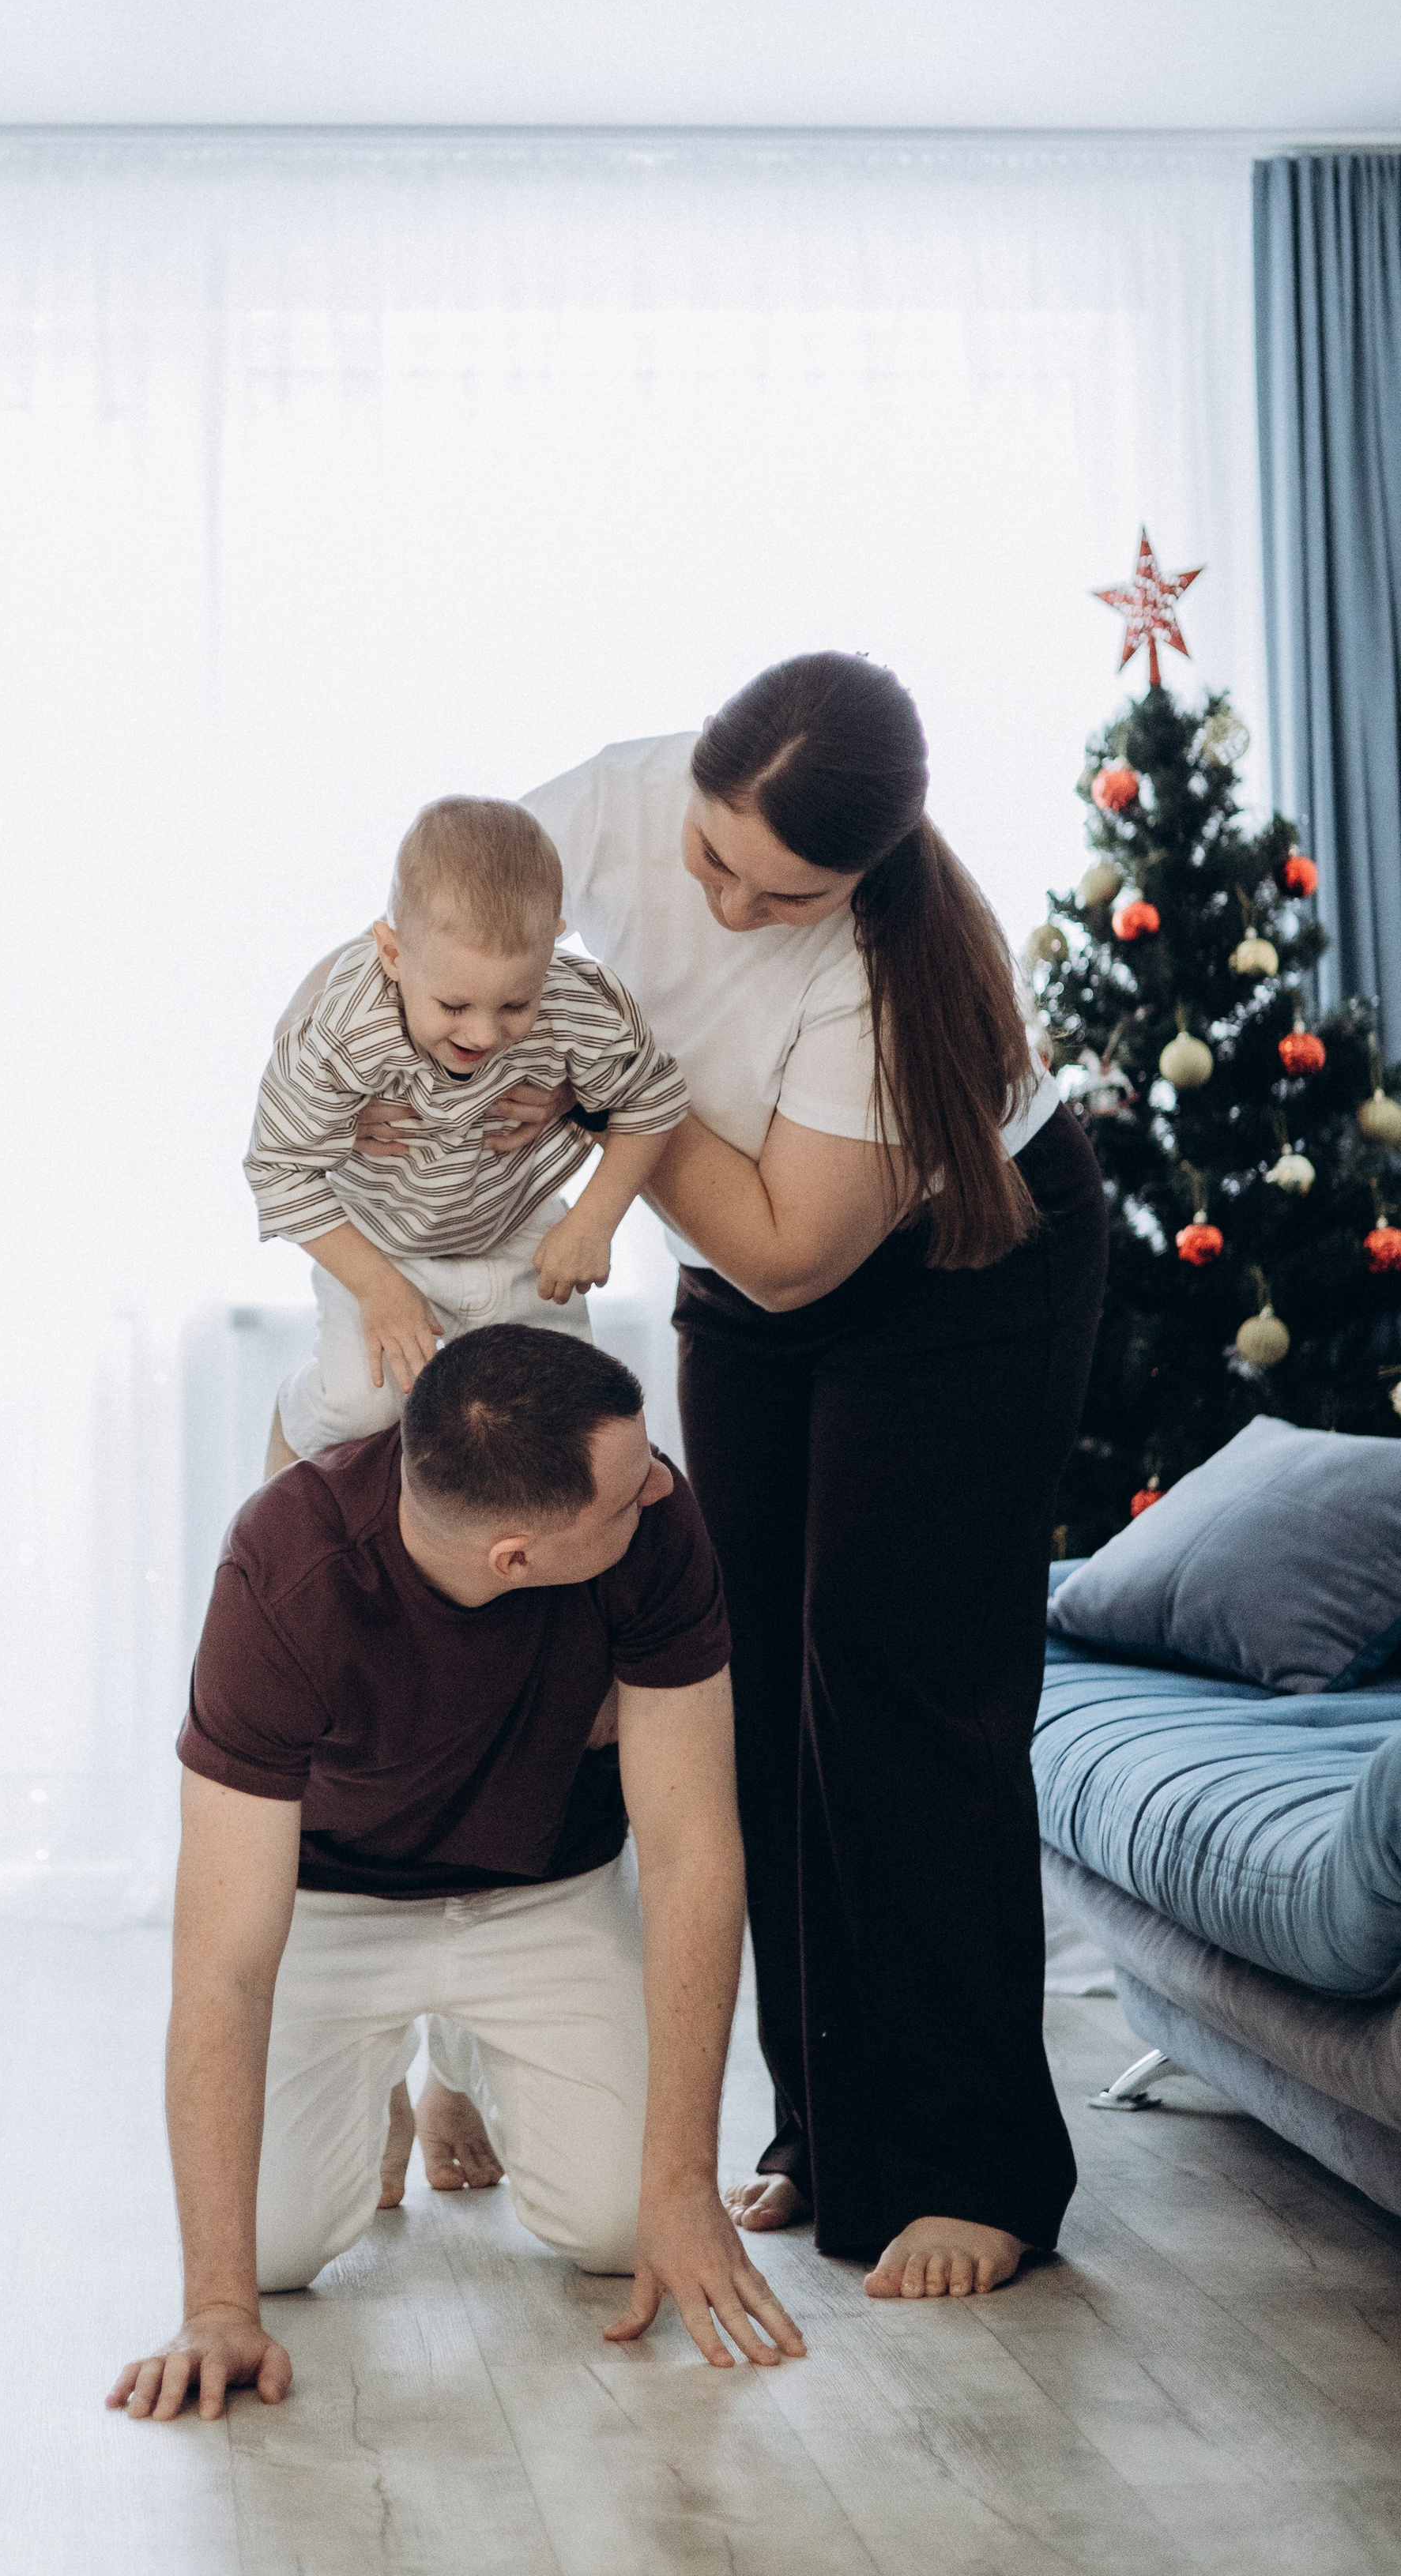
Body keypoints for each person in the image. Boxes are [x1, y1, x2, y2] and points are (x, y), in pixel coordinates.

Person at [349, 657, 1105, 2300]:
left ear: (865, 874)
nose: (733, 906)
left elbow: (777, 1253)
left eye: (787, 892)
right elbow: (430, 955)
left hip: (956, 1274)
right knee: (739, 1687)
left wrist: (610, 1080)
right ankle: (825, 2134)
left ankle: (975, 2163)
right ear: (686, 781)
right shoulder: (607, 806)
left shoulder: (892, 979)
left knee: (907, 1695)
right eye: (711, 862)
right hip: (756, 1256)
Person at [107, 1325, 806, 2423]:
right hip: (337, 1901)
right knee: (274, 2253)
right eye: (624, 1498)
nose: (663, 1490)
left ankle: (463, 2062)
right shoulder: (284, 1574)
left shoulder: (657, 1522)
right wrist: (215, 2308)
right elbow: (225, 1967)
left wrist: (681, 2185)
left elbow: (691, 1856)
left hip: (544, 1885)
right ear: (515, 1555)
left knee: (630, 2232)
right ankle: (376, 2075)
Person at [245, 795, 686, 1470]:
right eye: (452, 1005)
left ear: (555, 943)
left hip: (516, 1231)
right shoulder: (345, 1029)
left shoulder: (580, 1001)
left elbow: (652, 1101)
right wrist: (376, 1287)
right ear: (393, 954)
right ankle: (297, 1414)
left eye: (516, 1003)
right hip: (379, 1243)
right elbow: (278, 1167)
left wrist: (595, 1220)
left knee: (559, 1416)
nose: (483, 1034)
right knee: (361, 1409)